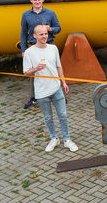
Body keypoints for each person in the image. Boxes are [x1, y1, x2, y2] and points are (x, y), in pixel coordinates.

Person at [23, 24, 77, 153]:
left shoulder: (53, 48)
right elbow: (26, 72)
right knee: (48, 117)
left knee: (63, 115)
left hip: (56, 88)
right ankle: (54, 138)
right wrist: (36, 69)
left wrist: (63, 82)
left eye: (46, 33)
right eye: (41, 34)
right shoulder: (29, 53)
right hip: (41, 91)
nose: (44, 36)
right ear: (34, 36)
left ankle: (67, 139)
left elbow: (59, 67)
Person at [19, 0, 61, 109]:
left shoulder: (50, 13)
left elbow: (58, 28)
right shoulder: (26, 15)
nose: (37, 2)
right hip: (33, 47)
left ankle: (57, 94)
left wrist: (50, 29)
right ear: (31, 1)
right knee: (34, 72)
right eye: (35, 0)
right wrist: (23, 49)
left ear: (43, 0)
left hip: (48, 45)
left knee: (53, 69)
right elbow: (23, 33)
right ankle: (34, 97)